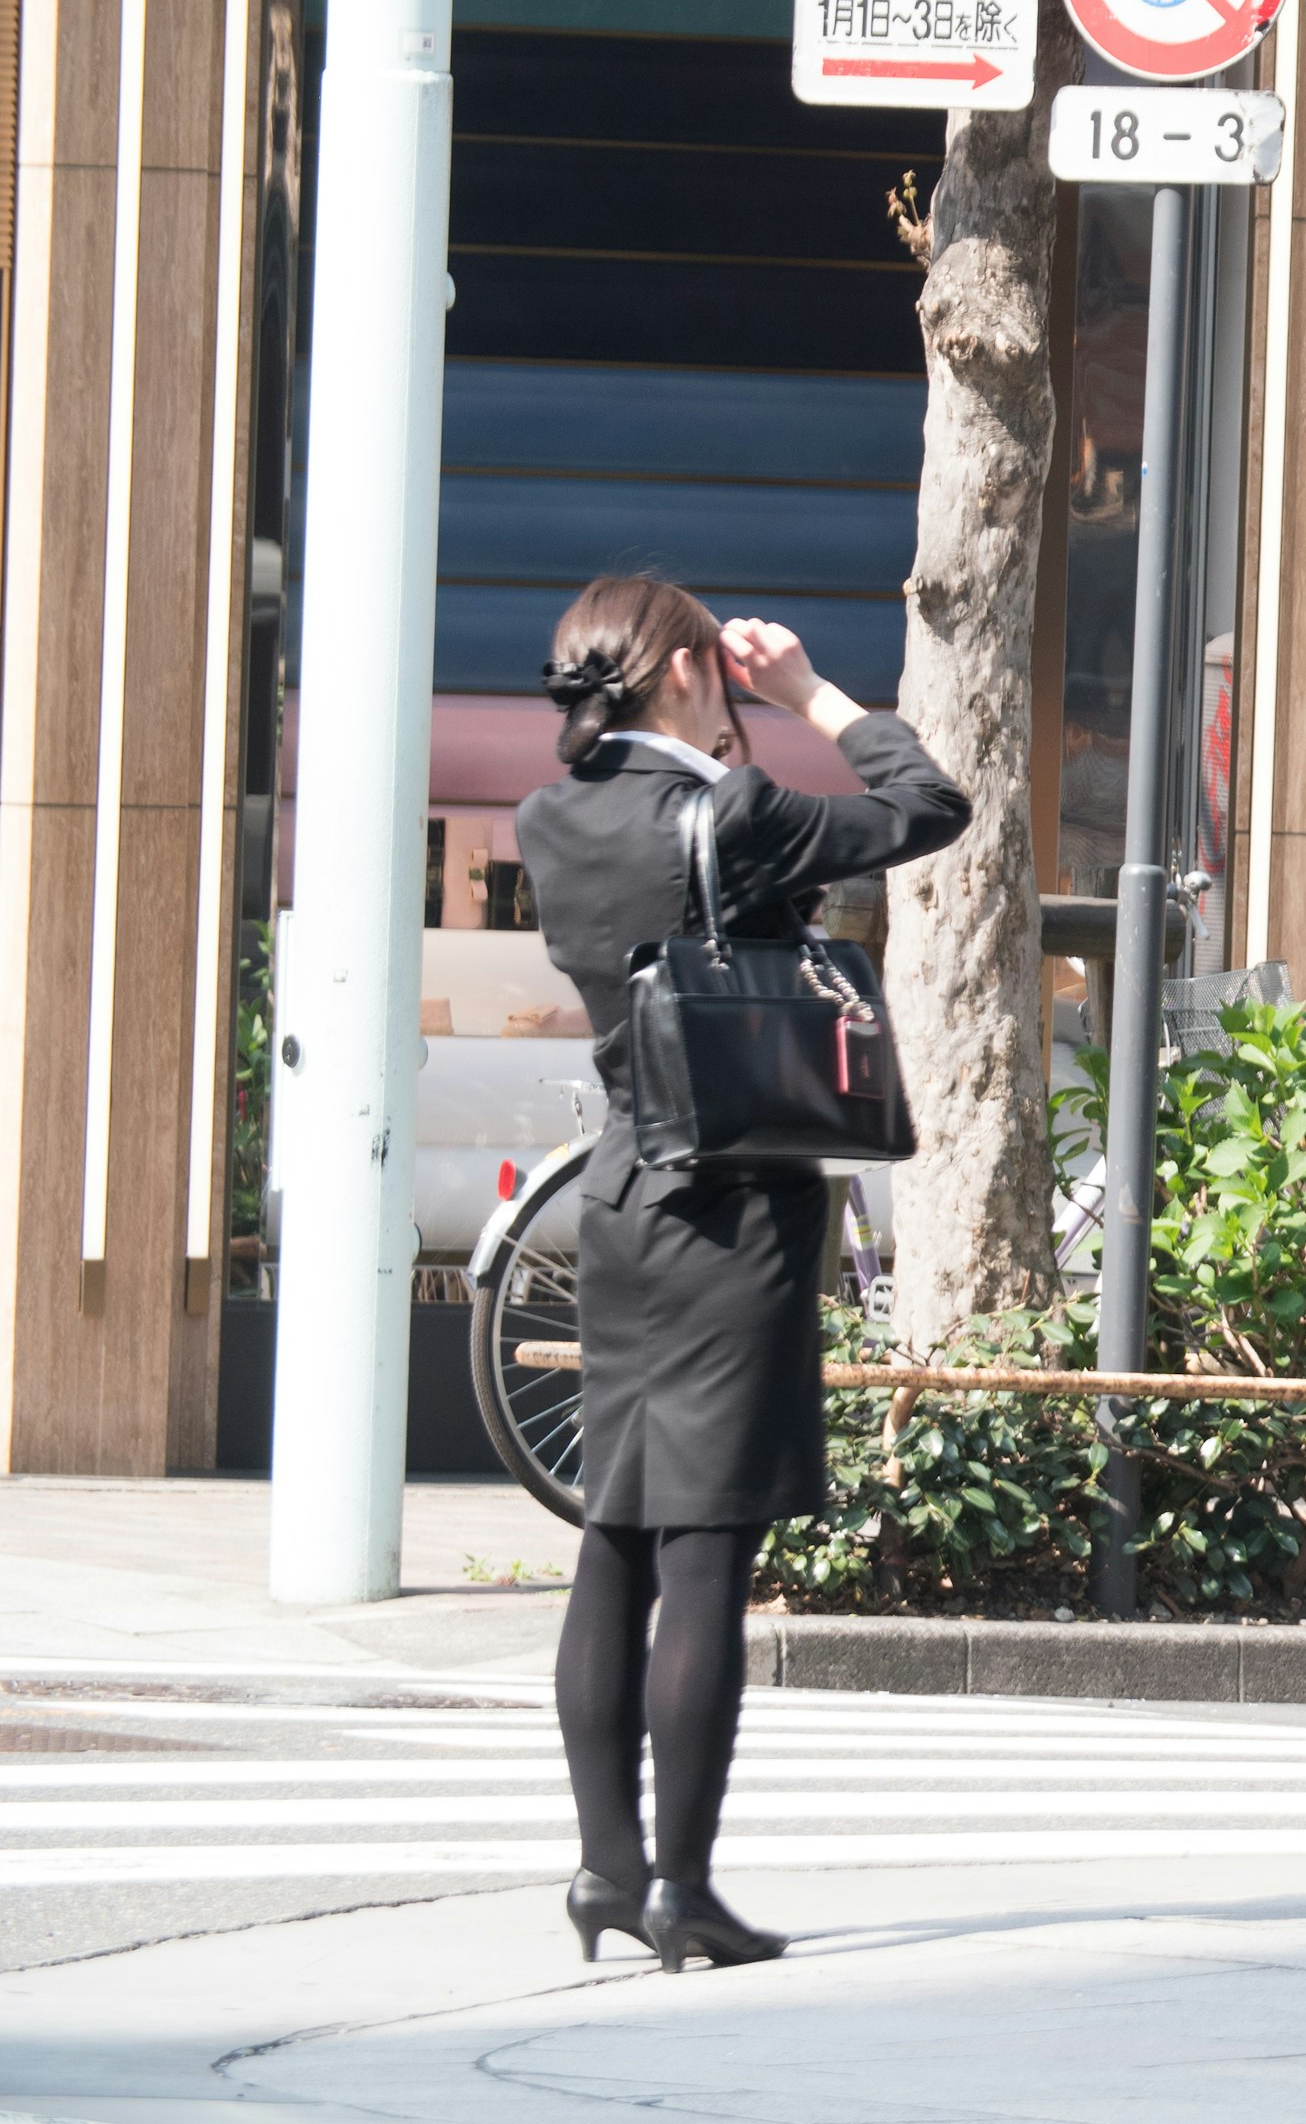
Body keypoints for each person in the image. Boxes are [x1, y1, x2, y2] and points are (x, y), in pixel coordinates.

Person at [516, 576, 968, 1972]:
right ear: (692, 671)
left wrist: (726, 730)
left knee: (619, 1536)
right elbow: (929, 808)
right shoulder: (737, 815)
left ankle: (609, 1866)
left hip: (621, 1201)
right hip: (737, 1218)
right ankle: (687, 1890)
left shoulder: (555, 815)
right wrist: (813, 695)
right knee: (708, 1553)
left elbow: (699, 886)